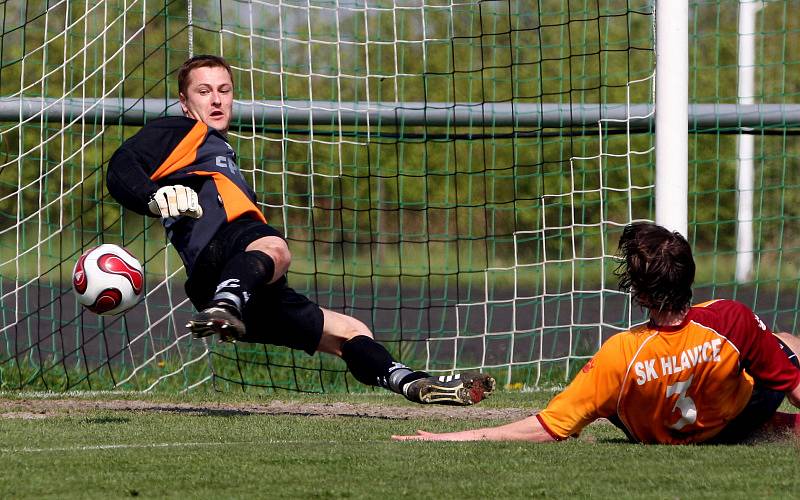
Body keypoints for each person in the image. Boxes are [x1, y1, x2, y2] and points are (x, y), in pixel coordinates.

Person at [106, 54, 495, 406]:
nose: (217, 100)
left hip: (233, 283)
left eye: (224, 90)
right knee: (275, 247)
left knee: (349, 332)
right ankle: (227, 305)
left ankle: (412, 382)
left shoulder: (213, 148)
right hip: (226, 253)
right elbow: (121, 165)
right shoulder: (182, 130)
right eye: (204, 91)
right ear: (184, 102)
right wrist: (151, 197)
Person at [393, 222, 800, 443]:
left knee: (609, 400)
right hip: (732, 423)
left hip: (664, 433)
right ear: (689, 275)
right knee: (786, 343)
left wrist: (454, 437)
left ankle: (773, 427)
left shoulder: (619, 354)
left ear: (640, 295)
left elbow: (550, 426)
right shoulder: (731, 319)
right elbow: (791, 381)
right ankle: (775, 427)